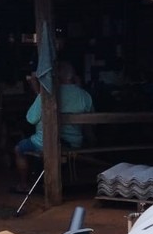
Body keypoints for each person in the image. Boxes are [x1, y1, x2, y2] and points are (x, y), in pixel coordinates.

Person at [12, 60, 94, 192]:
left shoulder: (47, 94)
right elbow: (89, 124)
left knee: (18, 148)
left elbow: (31, 119)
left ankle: (23, 185)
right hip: (74, 144)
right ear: (73, 76)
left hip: (45, 142)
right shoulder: (85, 96)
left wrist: (38, 94)